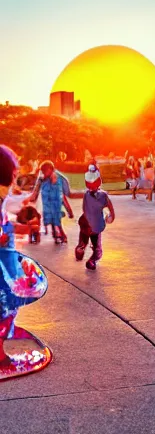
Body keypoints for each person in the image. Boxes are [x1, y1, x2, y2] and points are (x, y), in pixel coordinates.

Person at [0, 145, 52, 378]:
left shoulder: (2, 197)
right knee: (6, 308)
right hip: (3, 266)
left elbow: (6, 224)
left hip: (7, 260)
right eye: (14, 173)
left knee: (7, 308)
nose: (16, 177)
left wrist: (22, 227)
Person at [75, 164, 115, 270]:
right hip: (94, 226)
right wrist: (110, 216)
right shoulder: (103, 196)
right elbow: (110, 209)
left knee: (83, 240)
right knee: (97, 249)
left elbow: (84, 209)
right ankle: (91, 260)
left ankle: (80, 248)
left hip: (86, 223)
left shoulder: (87, 195)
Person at [27, 161, 70, 244]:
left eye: (45, 171)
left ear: (51, 169)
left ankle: (62, 235)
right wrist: (31, 198)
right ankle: (55, 234)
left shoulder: (58, 178)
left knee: (57, 221)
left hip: (55, 204)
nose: (43, 173)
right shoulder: (42, 179)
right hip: (47, 203)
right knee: (50, 219)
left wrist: (68, 209)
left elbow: (62, 193)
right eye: (42, 171)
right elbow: (36, 190)